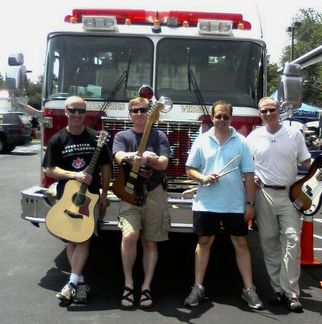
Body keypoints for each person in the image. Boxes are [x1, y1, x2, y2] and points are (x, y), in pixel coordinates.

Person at [183, 100, 263, 310]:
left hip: (235, 204)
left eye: (225, 117)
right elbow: (189, 169)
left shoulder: (241, 142)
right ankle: (198, 287)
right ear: (212, 117)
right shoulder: (201, 140)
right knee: (204, 243)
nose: (221, 120)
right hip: (206, 204)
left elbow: (249, 175)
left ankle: (249, 289)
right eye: (218, 116)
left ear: (231, 118)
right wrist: (203, 178)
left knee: (241, 244)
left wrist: (249, 203)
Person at [42, 96, 112, 305]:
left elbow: (106, 166)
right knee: (71, 238)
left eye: (81, 111)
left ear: (85, 114)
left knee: (83, 238)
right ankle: (79, 282)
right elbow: (49, 169)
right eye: (73, 110)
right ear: (66, 112)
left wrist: (105, 194)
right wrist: (74, 175)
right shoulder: (57, 139)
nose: (77, 115)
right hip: (67, 197)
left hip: (88, 198)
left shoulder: (95, 138)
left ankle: (72, 283)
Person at [246, 97, 311, 313]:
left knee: (292, 240)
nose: (268, 114)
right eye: (263, 111)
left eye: (271, 110)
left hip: (290, 195)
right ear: (259, 114)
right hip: (264, 194)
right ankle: (277, 290)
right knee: (269, 243)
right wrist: (250, 178)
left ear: (279, 111)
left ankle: (291, 293)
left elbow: (306, 162)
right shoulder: (254, 137)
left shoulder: (294, 134)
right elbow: (245, 164)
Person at [113, 96, 171, 308]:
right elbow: (117, 155)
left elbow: (164, 163)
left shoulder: (160, 135)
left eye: (143, 110)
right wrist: (132, 156)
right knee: (129, 235)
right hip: (128, 193)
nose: (139, 113)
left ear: (150, 113)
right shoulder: (122, 135)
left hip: (154, 192)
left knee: (149, 241)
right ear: (129, 114)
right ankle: (128, 284)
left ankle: (146, 286)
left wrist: (150, 158)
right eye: (135, 110)